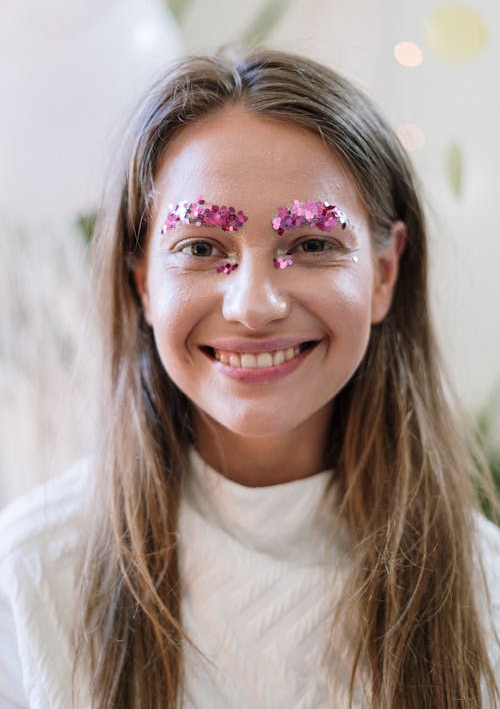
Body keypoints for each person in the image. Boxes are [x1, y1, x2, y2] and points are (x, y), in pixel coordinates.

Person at [0, 48, 499, 709]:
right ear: (144, 281)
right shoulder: (34, 572)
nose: (254, 304)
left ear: (383, 274)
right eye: (202, 248)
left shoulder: (483, 587)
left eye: (312, 244)